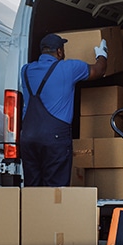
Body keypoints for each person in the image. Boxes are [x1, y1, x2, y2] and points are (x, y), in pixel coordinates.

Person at [20, 33, 107, 187]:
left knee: (32, 189)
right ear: (59, 52)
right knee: (55, 189)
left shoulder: (26, 70)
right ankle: (53, 212)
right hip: (55, 138)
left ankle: (33, 211)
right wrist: (102, 54)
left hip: (28, 137)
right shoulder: (69, 68)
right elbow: (99, 70)